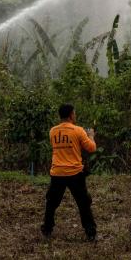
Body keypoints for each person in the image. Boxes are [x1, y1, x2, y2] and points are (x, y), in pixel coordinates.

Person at [41, 103, 97, 241]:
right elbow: (91, 148)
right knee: (83, 203)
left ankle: (47, 229)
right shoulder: (78, 131)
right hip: (75, 173)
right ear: (71, 114)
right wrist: (91, 136)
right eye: (75, 113)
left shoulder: (53, 131)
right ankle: (90, 232)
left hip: (57, 172)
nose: (75, 115)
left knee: (51, 202)